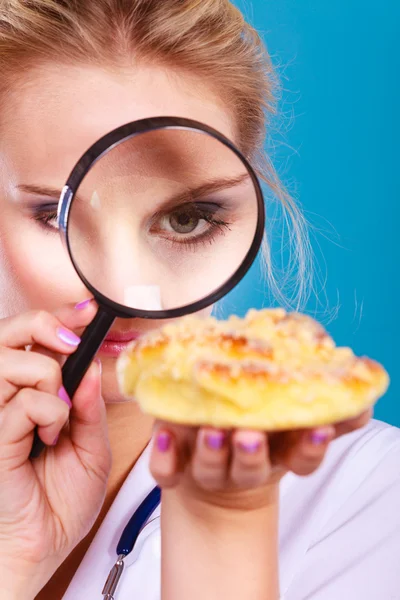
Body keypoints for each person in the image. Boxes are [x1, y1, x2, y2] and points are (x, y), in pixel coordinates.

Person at [0, 1, 399, 599]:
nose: (130, 289)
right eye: (56, 217)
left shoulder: (365, 493)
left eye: (187, 218)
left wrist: (222, 522)